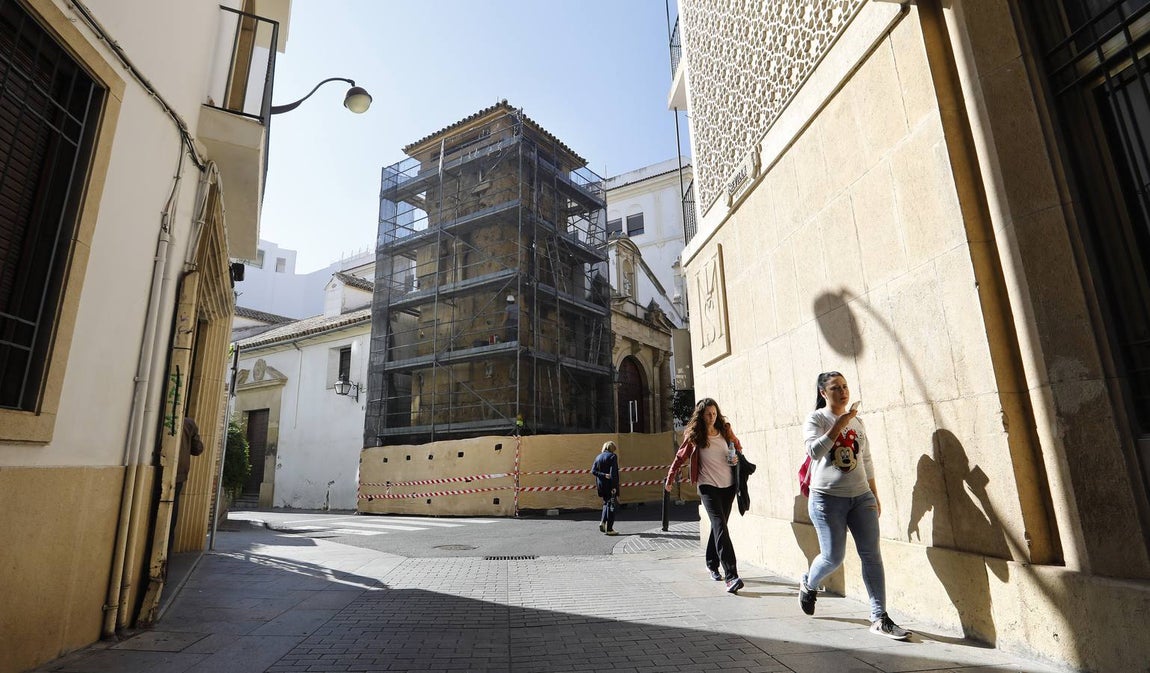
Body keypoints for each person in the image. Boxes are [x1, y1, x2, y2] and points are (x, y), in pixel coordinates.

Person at [799, 371, 910, 640]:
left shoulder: (857, 422)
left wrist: (873, 493)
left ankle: (879, 616)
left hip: (861, 498)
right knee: (832, 557)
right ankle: (809, 583)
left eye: (846, 386)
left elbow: (866, 459)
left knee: (871, 555)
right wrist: (840, 423)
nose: (843, 391)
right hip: (826, 499)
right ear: (824, 393)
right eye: (836, 388)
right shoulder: (817, 419)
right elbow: (814, 452)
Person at [665, 398, 745, 593]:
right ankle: (731, 576)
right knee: (719, 525)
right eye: (708, 414)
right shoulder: (695, 435)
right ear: (701, 415)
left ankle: (711, 563)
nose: (712, 417)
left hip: (728, 486)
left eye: (714, 413)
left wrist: (735, 456)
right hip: (707, 486)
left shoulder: (725, 429)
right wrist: (669, 478)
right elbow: (680, 457)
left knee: (720, 526)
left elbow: (737, 447)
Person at [172, 416, 204, 539]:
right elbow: (197, 449)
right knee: (171, 517)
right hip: (178, 475)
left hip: (157, 470)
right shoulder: (188, 423)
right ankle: (165, 554)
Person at [591, 440, 620, 535]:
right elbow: (613, 473)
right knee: (611, 505)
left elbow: (593, 471)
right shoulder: (613, 456)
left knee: (605, 503)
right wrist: (614, 486)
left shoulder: (598, 457)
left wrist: (602, 475)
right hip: (609, 485)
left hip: (600, 485)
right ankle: (610, 529)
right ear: (612, 449)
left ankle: (602, 522)